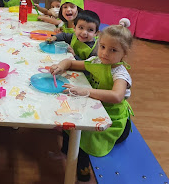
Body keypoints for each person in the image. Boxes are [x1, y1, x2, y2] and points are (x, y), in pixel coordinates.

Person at [50, 18, 133, 182]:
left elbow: (116, 96)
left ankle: (83, 170)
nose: (105, 53)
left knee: (83, 135)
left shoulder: (120, 73)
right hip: (96, 107)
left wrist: (86, 91)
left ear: (125, 53)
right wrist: (61, 65)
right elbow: (71, 63)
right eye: (102, 47)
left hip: (113, 121)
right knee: (70, 125)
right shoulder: (96, 61)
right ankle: (67, 152)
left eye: (113, 50)